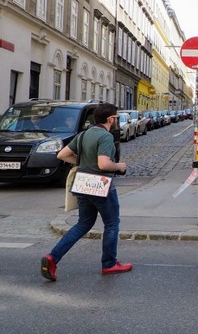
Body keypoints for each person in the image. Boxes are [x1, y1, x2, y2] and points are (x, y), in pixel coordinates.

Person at [40, 102, 131, 281]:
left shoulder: (84, 135)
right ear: (110, 119)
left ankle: (53, 257)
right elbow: (103, 164)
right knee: (112, 224)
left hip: (82, 183)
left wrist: (81, 163)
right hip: (101, 184)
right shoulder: (105, 137)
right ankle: (109, 264)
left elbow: (62, 154)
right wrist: (119, 166)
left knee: (83, 224)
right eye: (116, 118)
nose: (116, 121)